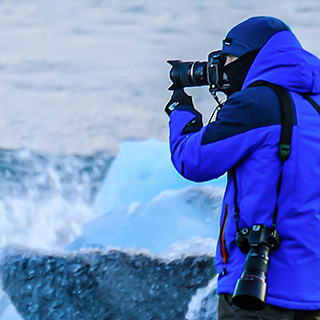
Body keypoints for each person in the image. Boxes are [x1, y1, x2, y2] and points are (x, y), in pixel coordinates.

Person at [164, 16, 320, 320]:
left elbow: (192, 160)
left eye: (230, 58)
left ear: (255, 57)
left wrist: (180, 112)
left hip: (261, 290)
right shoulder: (315, 105)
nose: (223, 69)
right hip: (313, 291)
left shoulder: (255, 104)